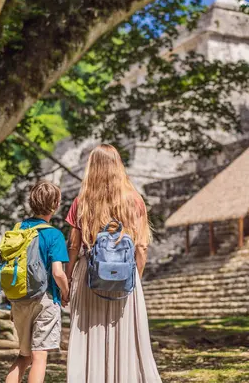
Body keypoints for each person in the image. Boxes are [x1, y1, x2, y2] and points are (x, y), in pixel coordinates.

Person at [64, 144, 162, 383]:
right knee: (125, 336)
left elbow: (74, 247)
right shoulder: (134, 201)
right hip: (125, 273)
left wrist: (67, 280)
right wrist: (134, 277)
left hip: (90, 274)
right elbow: (141, 246)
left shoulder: (82, 202)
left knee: (90, 334)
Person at [5, 180, 70, 383]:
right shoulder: (54, 235)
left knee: (23, 356)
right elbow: (58, 273)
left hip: (18, 299)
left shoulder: (18, 229)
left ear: (31, 202)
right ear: (56, 204)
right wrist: (66, 292)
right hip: (44, 299)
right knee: (40, 355)